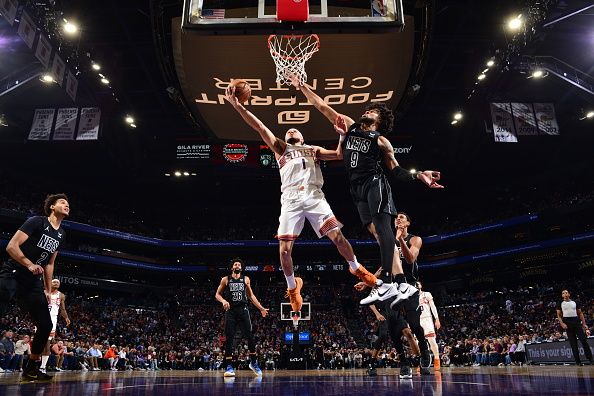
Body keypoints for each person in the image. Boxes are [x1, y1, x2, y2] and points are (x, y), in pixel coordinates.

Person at [225, 87, 381, 313]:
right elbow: (258, 126)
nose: (290, 130)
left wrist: (342, 135)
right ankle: (292, 288)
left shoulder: (313, 150)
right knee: (284, 251)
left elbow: (339, 154)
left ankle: (356, 267)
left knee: (338, 238)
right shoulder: (280, 148)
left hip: (314, 196)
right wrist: (238, 106)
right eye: (287, 130)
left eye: (294, 130)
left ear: (302, 137)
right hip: (290, 200)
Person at [291, 75, 443, 305]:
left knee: (384, 230)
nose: (368, 111)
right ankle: (402, 283)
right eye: (368, 109)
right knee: (378, 235)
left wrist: (418, 175)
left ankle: (390, 283)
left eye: (373, 111)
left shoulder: (381, 140)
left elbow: (396, 170)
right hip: (357, 190)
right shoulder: (350, 127)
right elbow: (321, 105)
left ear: (378, 120)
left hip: (375, 183)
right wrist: (301, 85)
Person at [0, 194, 69, 381]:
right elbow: (11, 246)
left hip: (33, 281)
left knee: (46, 325)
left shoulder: (62, 234)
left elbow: (49, 264)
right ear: (52, 207)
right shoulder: (36, 222)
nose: (67, 205)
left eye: (68, 203)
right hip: (14, 271)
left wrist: (48, 289)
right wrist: (28, 263)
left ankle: (31, 369)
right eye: (62, 202)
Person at [215, 258, 269, 377]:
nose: (237, 265)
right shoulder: (225, 279)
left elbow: (251, 296)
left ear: (241, 268)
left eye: (239, 264)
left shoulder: (246, 279)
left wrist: (261, 308)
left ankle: (253, 363)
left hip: (243, 310)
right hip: (231, 311)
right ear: (232, 267)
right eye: (235, 264)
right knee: (229, 338)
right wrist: (223, 300)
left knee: (250, 336)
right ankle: (229, 367)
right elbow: (217, 294)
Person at [556, 289, 594, 366]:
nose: (565, 294)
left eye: (566, 292)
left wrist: (584, 323)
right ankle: (578, 361)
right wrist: (562, 323)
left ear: (569, 294)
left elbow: (580, 313)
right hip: (567, 322)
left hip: (576, 321)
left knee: (583, 340)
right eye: (563, 293)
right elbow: (559, 315)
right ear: (562, 295)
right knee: (573, 343)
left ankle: (590, 359)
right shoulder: (560, 303)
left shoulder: (575, 302)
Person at [40, 279, 70, 373]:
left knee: (47, 342)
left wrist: (66, 318)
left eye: (58, 282)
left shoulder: (61, 295)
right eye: (54, 282)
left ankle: (43, 366)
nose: (56, 283)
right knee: (39, 342)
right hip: (41, 317)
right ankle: (35, 363)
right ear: (50, 283)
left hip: (52, 319)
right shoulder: (43, 292)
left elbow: (63, 308)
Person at [417, 281, 441, 370]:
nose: (416, 284)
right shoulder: (411, 298)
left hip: (427, 319)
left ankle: (437, 359)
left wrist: (437, 319)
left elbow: (433, 307)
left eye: (418, 283)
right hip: (417, 320)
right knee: (418, 343)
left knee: (431, 340)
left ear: (421, 285)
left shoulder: (426, 294)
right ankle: (423, 361)